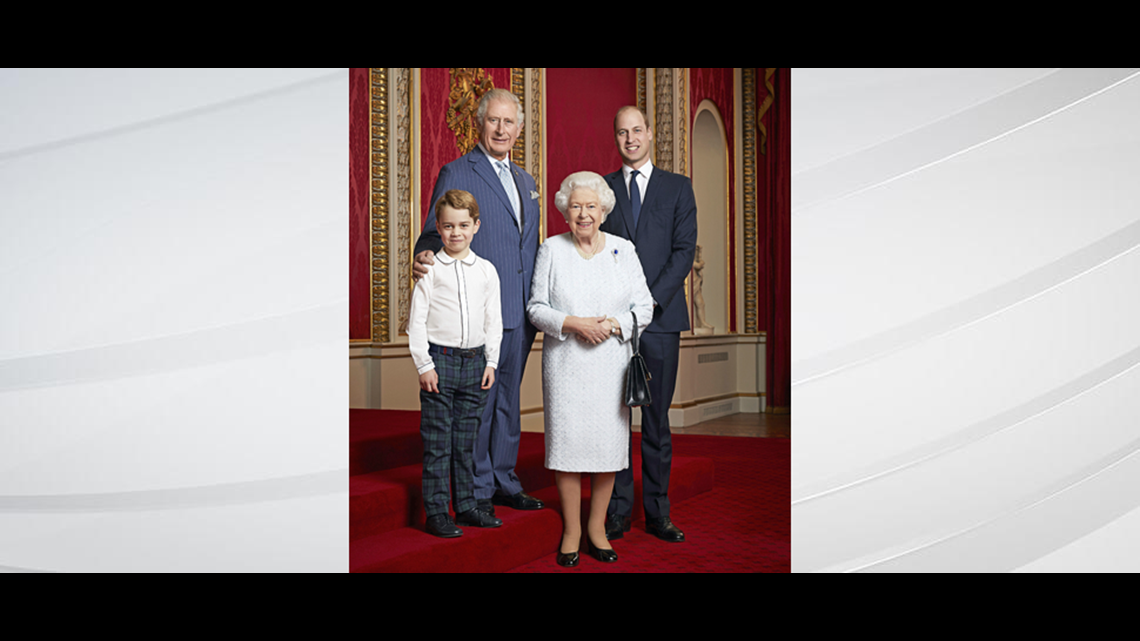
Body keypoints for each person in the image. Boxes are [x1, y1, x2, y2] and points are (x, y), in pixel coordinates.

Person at [413, 88, 544, 516]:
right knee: (480, 407)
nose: (502, 129)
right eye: (494, 121)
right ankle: (475, 488)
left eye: (509, 122)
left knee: (509, 401)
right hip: (479, 310)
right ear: (480, 123)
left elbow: (527, 246)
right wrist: (424, 255)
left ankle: (505, 479)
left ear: (519, 129)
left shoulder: (526, 181)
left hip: (521, 310)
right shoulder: (458, 171)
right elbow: (435, 231)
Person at [527, 171, 654, 566]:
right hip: (565, 363)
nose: (584, 214)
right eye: (576, 206)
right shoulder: (551, 248)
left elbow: (644, 307)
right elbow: (536, 308)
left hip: (610, 363)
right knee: (566, 447)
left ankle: (597, 528)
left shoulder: (623, 249)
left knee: (607, 448)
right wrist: (574, 324)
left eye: (591, 207)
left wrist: (613, 325)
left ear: (604, 210)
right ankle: (572, 529)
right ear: (565, 210)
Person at [602, 106, 697, 544]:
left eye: (636, 130)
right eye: (622, 133)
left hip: (659, 321)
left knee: (656, 421)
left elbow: (683, 253)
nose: (630, 139)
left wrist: (649, 303)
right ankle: (618, 511)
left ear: (650, 134)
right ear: (617, 138)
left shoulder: (678, 188)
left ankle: (658, 512)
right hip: (616, 324)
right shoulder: (600, 190)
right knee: (617, 420)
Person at [408, 190, 505, 537]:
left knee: (466, 441)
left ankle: (465, 506)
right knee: (438, 442)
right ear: (438, 226)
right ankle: (437, 512)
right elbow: (416, 321)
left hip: (475, 363)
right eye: (448, 226)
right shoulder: (431, 268)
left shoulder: (487, 271)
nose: (455, 233)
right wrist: (424, 365)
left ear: (476, 225)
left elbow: (494, 320)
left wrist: (491, 361)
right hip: (441, 362)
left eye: (463, 225)